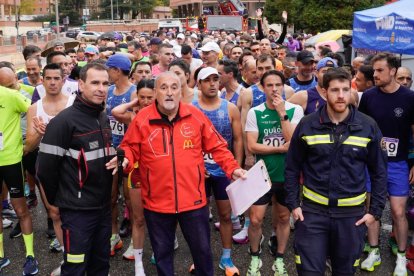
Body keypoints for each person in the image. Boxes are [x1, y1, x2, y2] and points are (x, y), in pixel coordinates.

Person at [106, 72, 246, 276]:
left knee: (203, 254)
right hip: (157, 203)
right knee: (162, 256)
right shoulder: (143, 119)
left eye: (174, 87)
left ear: (181, 92)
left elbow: (218, 147)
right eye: (163, 88)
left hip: (194, 202)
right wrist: (125, 158)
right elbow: (129, 147)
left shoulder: (195, 115)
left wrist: (233, 168)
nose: (169, 93)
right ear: (155, 93)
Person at [285, 67, 388, 276]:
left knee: (345, 272)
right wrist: (293, 205)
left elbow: (379, 172)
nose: (341, 96)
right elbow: (292, 167)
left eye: (345, 89)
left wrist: (374, 212)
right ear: (324, 92)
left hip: (351, 217)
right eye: (334, 90)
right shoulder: (308, 124)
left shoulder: (368, 126)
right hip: (312, 214)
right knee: (308, 271)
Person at [37, 62, 115, 275]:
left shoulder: (101, 116)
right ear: (81, 84)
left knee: (101, 264)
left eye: (105, 83)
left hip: (102, 208)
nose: (101, 88)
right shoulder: (63, 122)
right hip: (78, 213)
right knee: (75, 267)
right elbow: (44, 169)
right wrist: (65, 199)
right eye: (95, 83)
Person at [359, 53, 414, 276]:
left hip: (398, 163)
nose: (375, 74)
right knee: (372, 209)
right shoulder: (369, 96)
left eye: (380, 70)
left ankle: (401, 256)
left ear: (392, 71)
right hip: (371, 163)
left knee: (398, 212)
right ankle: (373, 251)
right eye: (374, 71)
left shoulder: (409, 98)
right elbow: (360, 128)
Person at [245, 70, 303, 276]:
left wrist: (281, 113)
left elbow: (293, 142)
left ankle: (279, 258)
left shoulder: (294, 110)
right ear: (262, 88)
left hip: (287, 175)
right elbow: (252, 146)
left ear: (284, 86)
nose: (274, 89)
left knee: (283, 217)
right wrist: (279, 149)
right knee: (255, 219)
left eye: (278, 85)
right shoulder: (255, 112)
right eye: (269, 85)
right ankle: (254, 257)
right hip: (262, 175)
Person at [24, 63, 76, 275]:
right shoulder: (34, 109)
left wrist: (55, 131)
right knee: (54, 213)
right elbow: (28, 146)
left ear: (64, 81)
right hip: (46, 165)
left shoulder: (74, 104)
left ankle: (84, 258)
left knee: (77, 214)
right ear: (42, 81)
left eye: (57, 78)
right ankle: (67, 259)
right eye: (49, 79)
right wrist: (39, 133)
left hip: (72, 165)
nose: (53, 82)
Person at [192, 67, 243, 275]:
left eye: (215, 79)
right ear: (199, 84)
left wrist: (236, 167)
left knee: (225, 215)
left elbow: (238, 139)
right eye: (207, 80)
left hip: (224, 170)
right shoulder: (190, 109)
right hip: (199, 171)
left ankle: (226, 257)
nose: (212, 83)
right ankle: (200, 258)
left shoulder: (230, 108)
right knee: (199, 216)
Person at [112, 79, 155, 276]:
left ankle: (164, 244)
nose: (146, 101)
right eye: (142, 97)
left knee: (160, 217)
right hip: (136, 170)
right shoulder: (133, 116)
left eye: (149, 97)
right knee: (138, 218)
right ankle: (139, 263)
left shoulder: (163, 116)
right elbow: (115, 112)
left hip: (158, 173)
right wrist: (134, 103)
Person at [0, 79, 38, 275]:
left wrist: (29, 140)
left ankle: (30, 255)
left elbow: (34, 111)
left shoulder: (10, 95)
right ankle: (0, 256)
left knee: (21, 209)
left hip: (11, 160)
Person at [105, 53, 136, 257]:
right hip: (109, 150)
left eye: (109, 69)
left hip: (129, 151)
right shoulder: (108, 91)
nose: (107, 73)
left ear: (117, 70)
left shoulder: (134, 93)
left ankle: (135, 239)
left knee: (130, 198)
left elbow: (136, 122)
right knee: (110, 197)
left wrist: (120, 116)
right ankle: (114, 235)